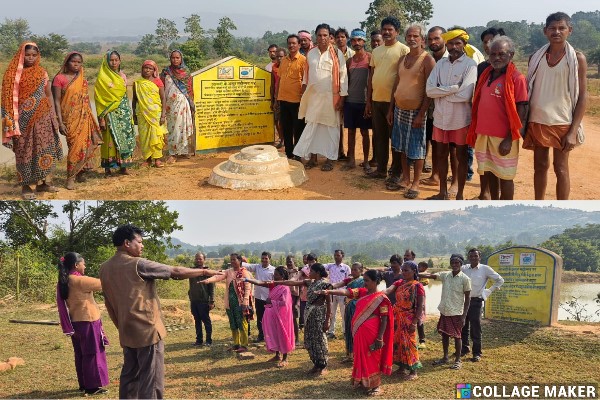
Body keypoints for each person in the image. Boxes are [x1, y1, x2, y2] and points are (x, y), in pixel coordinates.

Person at [99, 224, 218, 399]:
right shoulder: (138, 264)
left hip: (126, 330)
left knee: (129, 377)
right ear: (127, 243)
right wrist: (205, 271)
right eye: (139, 242)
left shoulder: (104, 268)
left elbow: (108, 302)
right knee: (151, 380)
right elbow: (175, 272)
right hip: (147, 331)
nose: (142, 245)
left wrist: (121, 326)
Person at [523, 12, 588, 200]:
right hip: (537, 120)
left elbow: (583, 96)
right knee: (540, 167)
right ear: (545, 31)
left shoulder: (577, 59)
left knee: (561, 168)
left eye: (561, 28)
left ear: (570, 31)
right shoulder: (535, 57)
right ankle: (539, 203)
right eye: (552, 28)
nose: (556, 32)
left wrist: (573, 130)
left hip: (563, 122)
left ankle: (564, 205)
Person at [466, 36, 528, 200]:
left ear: (511, 54)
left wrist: (510, 138)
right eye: (493, 54)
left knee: (506, 177)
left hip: (503, 138)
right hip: (483, 134)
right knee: (490, 173)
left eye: (501, 54)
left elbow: (522, 108)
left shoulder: (517, 78)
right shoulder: (486, 74)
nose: (496, 58)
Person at [1, 42, 63, 200]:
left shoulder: (42, 72)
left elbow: (48, 94)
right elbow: (6, 98)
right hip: (22, 120)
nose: (30, 58)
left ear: (38, 56)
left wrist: (53, 116)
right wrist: (10, 123)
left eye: (34, 55)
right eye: (27, 55)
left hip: (43, 117)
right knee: (25, 151)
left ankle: (45, 182)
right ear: (21, 55)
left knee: (45, 148)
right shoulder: (13, 74)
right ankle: (26, 186)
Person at [319, 270, 393, 396]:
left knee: (372, 357)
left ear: (375, 282)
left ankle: (375, 385)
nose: (364, 283)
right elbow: (346, 292)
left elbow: (384, 319)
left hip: (372, 333)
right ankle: (362, 381)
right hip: (359, 332)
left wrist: (380, 337)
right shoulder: (362, 292)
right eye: (364, 280)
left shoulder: (381, 298)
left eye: (367, 281)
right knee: (359, 355)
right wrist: (329, 291)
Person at [425, 29, 477, 200]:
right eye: (451, 43)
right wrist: (454, 88)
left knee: (461, 156)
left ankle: (460, 194)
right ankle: (442, 192)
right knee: (440, 154)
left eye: (458, 43)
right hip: (440, 117)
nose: (454, 47)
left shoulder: (470, 65)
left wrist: (442, 91)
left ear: (464, 45)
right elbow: (429, 90)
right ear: (446, 44)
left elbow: (465, 95)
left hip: (460, 119)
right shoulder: (440, 64)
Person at [387, 25, 435, 198]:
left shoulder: (427, 60)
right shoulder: (402, 59)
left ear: (422, 40)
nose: (412, 39)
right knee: (401, 147)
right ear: (405, 38)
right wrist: (391, 108)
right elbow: (396, 84)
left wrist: (422, 114)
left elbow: (429, 91)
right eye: (409, 36)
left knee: (417, 150)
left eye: (416, 36)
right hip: (399, 109)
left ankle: (415, 183)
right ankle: (405, 179)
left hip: (416, 113)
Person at [293, 23, 348, 172]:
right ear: (315, 37)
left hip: (331, 98)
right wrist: (303, 97)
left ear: (330, 38)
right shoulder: (310, 54)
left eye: (325, 35)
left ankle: (330, 159)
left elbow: (343, 77)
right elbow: (306, 78)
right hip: (314, 98)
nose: (322, 38)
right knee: (312, 127)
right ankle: (313, 158)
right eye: (319, 35)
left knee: (331, 129)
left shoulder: (337, 54)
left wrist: (341, 99)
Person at [57, 252, 109, 395]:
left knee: (81, 354)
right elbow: (104, 283)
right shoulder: (79, 280)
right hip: (88, 321)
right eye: (83, 263)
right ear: (76, 265)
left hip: (76, 322)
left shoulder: (65, 280)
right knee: (92, 353)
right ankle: (92, 387)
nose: (85, 265)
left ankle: (84, 384)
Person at [365, 16, 409, 186]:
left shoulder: (403, 50)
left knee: (395, 140)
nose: (387, 32)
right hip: (377, 101)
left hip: (395, 103)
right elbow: (371, 77)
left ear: (397, 32)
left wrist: (394, 104)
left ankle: (396, 172)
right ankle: (381, 170)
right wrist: (368, 101)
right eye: (384, 29)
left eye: (390, 30)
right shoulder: (376, 51)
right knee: (380, 137)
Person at [52, 52, 102, 190]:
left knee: (86, 145)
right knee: (74, 147)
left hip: (85, 117)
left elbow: (87, 100)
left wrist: (92, 117)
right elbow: (56, 101)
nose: (76, 64)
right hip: (69, 118)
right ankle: (70, 178)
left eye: (79, 62)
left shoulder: (82, 80)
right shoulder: (59, 79)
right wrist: (60, 122)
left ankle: (80, 174)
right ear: (67, 62)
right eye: (73, 62)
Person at [274, 263, 332, 375]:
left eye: (311, 271)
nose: (309, 273)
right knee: (310, 339)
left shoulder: (325, 285)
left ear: (318, 273)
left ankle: (323, 365)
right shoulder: (310, 282)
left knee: (319, 339)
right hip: (309, 315)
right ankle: (316, 363)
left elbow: (329, 303)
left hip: (319, 315)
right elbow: (293, 282)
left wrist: (327, 320)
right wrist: (278, 282)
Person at [420, 254, 471, 370]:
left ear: (461, 264)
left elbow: (468, 298)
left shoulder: (465, 279)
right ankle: (445, 357)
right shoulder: (445, 275)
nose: (454, 265)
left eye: (457, 263)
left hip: (457, 312)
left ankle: (458, 360)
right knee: (445, 335)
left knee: (458, 336)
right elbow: (431, 276)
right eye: (452, 263)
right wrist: (415, 273)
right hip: (444, 310)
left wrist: (464, 315)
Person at [94, 50, 135, 177]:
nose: (113, 62)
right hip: (109, 113)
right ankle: (108, 168)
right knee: (109, 139)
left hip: (123, 112)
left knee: (125, 136)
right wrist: (101, 117)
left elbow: (124, 95)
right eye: (111, 60)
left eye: (116, 60)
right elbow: (99, 98)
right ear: (106, 61)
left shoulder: (122, 76)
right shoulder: (102, 78)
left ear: (120, 61)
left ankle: (124, 166)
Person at [244, 266, 295, 367]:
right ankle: (277, 355)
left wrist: (271, 301)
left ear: (282, 276)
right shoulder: (274, 285)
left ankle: (285, 358)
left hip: (281, 316)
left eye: (276, 274)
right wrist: (246, 279)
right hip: (272, 315)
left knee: (282, 334)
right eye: (274, 274)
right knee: (274, 334)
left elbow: (284, 303)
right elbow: (260, 282)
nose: (274, 276)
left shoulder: (284, 288)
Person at [461, 249, 504, 362]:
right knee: (463, 326)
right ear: (468, 257)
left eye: (476, 256)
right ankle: (464, 349)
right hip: (463, 302)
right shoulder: (464, 268)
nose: (473, 258)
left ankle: (477, 353)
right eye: (471, 256)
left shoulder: (485, 269)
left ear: (479, 257)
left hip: (476, 302)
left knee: (476, 328)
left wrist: (488, 291)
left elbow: (500, 280)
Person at [383, 261, 424, 380]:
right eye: (403, 270)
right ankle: (401, 368)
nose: (404, 272)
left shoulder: (417, 286)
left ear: (414, 271)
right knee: (398, 342)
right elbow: (387, 291)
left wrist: (415, 321)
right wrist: (372, 294)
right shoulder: (400, 282)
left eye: (406, 270)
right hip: (397, 316)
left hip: (409, 318)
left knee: (409, 343)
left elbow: (420, 306)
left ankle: (413, 371)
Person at [420, 26, 449, 190]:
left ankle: (440, 178)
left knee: (443, 147)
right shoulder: (430, 59)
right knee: (433, 142)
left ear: (444, 39)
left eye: (436, 38)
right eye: (430, 39)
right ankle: (435, 175)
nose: (433, 42)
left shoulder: (451, 59)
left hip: (447, 111)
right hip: (431, 109)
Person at [342, 29, 372, 172]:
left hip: (364, 102)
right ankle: (351, 160)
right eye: (353, 40)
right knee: (351, 132)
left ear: (364, 41)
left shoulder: (370, 58)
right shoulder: (349, 61)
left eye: (359, 40)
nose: (356, 43)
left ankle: (366, 161)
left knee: (365, 132)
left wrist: (369, 102)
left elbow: (372, 82)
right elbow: (346, 82)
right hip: (350, 101)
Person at [160, 50, 195, 163]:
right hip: (170, 105)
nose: (175, 60)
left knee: (182, 126)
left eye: (177, 58)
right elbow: (160, 88)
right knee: (172, 128)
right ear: (170, 59)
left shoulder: (186, 73)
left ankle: (183, 151)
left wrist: (191, 104)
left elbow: (189, 90)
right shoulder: (166, 72)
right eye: (173, 58)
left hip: (182, 103)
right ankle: (173, 153)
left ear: (181, 59)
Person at [132, 60, 167, 168]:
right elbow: (135, 99)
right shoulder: (137, 83)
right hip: (142, 113)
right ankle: (147, 159)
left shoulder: (158, 82)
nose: (147, 70)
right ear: (142, 70)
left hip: (155, 113)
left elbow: (163, 98)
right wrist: (134, 114)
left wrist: (163, 114)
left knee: (156, 135)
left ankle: (157, 159)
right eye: (145, 68)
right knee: (144, 136)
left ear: (154, 70)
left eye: (150, 68)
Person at [277, 34, 306, 159]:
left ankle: (298, 155)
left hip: (297, 101)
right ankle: (289, 154)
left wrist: (304, 100)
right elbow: (280, 79)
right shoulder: (283, 60)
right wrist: (277, 99)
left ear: (299, 45)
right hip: (283, 100)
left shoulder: (303, 60)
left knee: (298, 130)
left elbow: (306, 81)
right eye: (289, 43)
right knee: (287, 129)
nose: (291, 45)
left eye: (294, 43)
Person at [331, 262, 364, 362]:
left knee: (356, 329)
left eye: (355, 270)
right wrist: (329, 286)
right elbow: (337, 284)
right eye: (352, 269)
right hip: (349, 307)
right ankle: (350, 354)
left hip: (357, 307)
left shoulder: (363, 281)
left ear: (361, 271)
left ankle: (358, 354)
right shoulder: (349, 280)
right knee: (349, 328)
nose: (353, 271)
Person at [242, 251, 275, 343]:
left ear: (269, 259)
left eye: (266, 258)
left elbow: (275, 284)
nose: (264, 260)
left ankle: (270, 336)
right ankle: (261, 335)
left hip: (269, 298)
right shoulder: (257, 267)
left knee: (269, 318)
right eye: (262, 258)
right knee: (260, 317)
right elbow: (247, 265)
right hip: (258, 297)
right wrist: (238, 259)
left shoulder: (273, 270)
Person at [188, 252, 215, 347]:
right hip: (194, 300)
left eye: (200, 258)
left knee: (206, 321)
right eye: (197, 258)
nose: (198, 260)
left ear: (204, 259)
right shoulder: (191, 271)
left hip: (204, 300)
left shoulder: (208, 272)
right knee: (197, 320)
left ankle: (208, 340)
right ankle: (199, 340)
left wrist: (211, 301)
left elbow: (212, 288)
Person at [324, 249, 351, 338]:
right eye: (335, 255)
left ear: (342, 256)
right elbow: (321, 266)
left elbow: (349, 281)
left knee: (344, 313)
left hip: (342, 293)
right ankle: (331, 332)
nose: (336, 257)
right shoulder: (330, 266)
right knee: (332, 313)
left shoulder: (346, 267)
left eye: (338, 255)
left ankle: (345, 332)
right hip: (332, 293)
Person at [270, 48, 286, 149]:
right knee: (277, 120)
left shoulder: (287, 67)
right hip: (277, 97)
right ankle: (281, 139)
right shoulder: (274, 67)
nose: (279, 59)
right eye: (277, 57)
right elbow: (272, 85)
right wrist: (273, 100)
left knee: (284, 121)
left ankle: (285, 140)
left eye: (281, 56)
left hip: (286, 97)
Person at [285, 255, 301, 345]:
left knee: (294, 319)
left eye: (290, 261)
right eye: (287, 261)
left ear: (294, 262)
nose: (289, 263)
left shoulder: (298, 273)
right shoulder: (285, 272)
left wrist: (297, 302)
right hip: (285, 297)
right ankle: (288, 337)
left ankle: (297, 339)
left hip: (294, 297)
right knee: (286, 319)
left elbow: (301, 287)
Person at [417, 261, 430, 348]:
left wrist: (416, 283)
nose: (418, 268)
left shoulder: (424, 275)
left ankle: (422, 340)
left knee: (419, 319)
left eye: (420, 267)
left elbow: (426, 282)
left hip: (419, 298)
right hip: (409, 298)